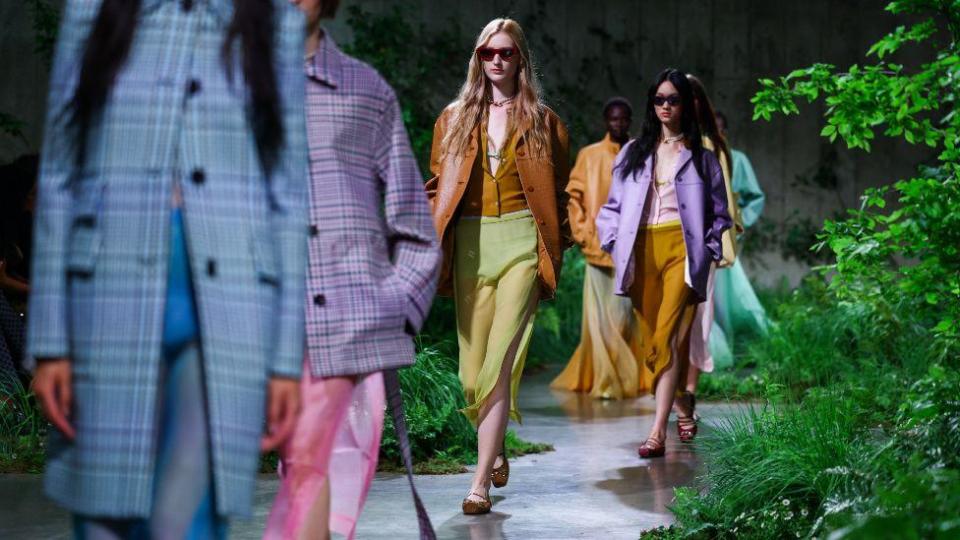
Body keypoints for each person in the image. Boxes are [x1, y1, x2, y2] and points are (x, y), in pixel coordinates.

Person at [28, 1, 308, 537]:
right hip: (103, 300)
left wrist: (284, 360)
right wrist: (49, 340)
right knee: (102, 511)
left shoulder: (273, 24)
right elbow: (59, 176)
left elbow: (289, 196)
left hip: (230, 307)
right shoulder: (93, 13)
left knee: (187, 520)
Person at [264, 1, 439, 539]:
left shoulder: (366, 91)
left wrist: (392, 310)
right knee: (295, 464)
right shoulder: (228, 89)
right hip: (255, 313)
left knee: (307, 456)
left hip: (342, 315)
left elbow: (413, 220)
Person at [425, 17, 571, 514]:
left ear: (520, 59)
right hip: (470, 242)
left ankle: (479, 482)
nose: (496, 61)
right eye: (488, 53)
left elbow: (560, 194)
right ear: (478, 58)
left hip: (522, 244)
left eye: (506, 53)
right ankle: (496, 442)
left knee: (500, 362)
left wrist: (558, 247)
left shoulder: (543, 120)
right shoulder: (454, 117)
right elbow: (435, 186)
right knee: (471, 376)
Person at [596, 68, 733, 459]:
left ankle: (656, 431)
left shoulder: (702, 158)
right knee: (651, 338)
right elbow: (612, 207)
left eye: (673, 99)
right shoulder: (633, 152)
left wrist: (706, 248)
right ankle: (680, 403)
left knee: (668, 338)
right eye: (659, 99)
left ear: (685, 104)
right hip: (640, 250)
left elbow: (720, 215)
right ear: (651, 103)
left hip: (683, 251)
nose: (665, 106)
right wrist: (611, 242)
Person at [551, 97, 653, 400]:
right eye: (613, 119)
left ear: (630, 121)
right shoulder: (590, 155)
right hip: (597, 250)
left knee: (625, 318)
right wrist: (584, 235)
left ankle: (626, 377)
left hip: (632, 249)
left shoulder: (642, 153)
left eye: (623, 119)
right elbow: (573, 198)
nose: (618, 124)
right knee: (598, 320)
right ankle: (607, 381)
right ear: (606, 121)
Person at [673, 74, 741, 441]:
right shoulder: (664, 144)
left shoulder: (713, 146)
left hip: (703, 248)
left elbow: (725, 200)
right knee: (670, 324)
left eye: (686, 98)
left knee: (698, 321)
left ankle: (688, 396)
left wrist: (719, 243)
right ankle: (674, 396)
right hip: (667, 244)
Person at [710, 111, 770, 348]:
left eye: (720, 129)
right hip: (698, 233)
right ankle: (712, 344)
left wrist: (738, 221)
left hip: (726, 232)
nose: (716, 134)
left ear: (725, 131)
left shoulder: (737, 159)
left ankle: (733, 341)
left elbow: (754, 197)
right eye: (710, 129)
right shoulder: (695, 158)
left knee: (728, 288)